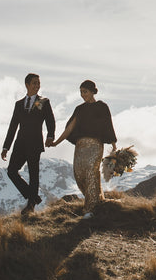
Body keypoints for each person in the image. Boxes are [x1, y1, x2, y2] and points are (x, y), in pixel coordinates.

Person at [49, 80, 117, 218]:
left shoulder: (102, 106)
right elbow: (70, 128)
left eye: (85, 91)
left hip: (95, 145)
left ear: (92, 91)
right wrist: (56, 142)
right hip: (80, 147)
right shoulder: (79, 109)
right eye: (80, 92)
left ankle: (89, 209)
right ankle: (97, 200)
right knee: (79, 174)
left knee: (91, 171)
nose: (82, 94)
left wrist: (114, 144)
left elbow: (108, 124)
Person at [1, 73, 55, 215]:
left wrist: (50, 136)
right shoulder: (19, 104)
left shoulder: (43, 101)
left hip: (35, 143)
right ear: (27, 85)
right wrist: (6, 147)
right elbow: (13, 126)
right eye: (34, 83)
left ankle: (31, 204)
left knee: (33, 173)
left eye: (38, 83)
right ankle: (33, 197)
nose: (37, 86)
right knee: (12, 171)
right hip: (20, 144)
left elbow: (50, 120)